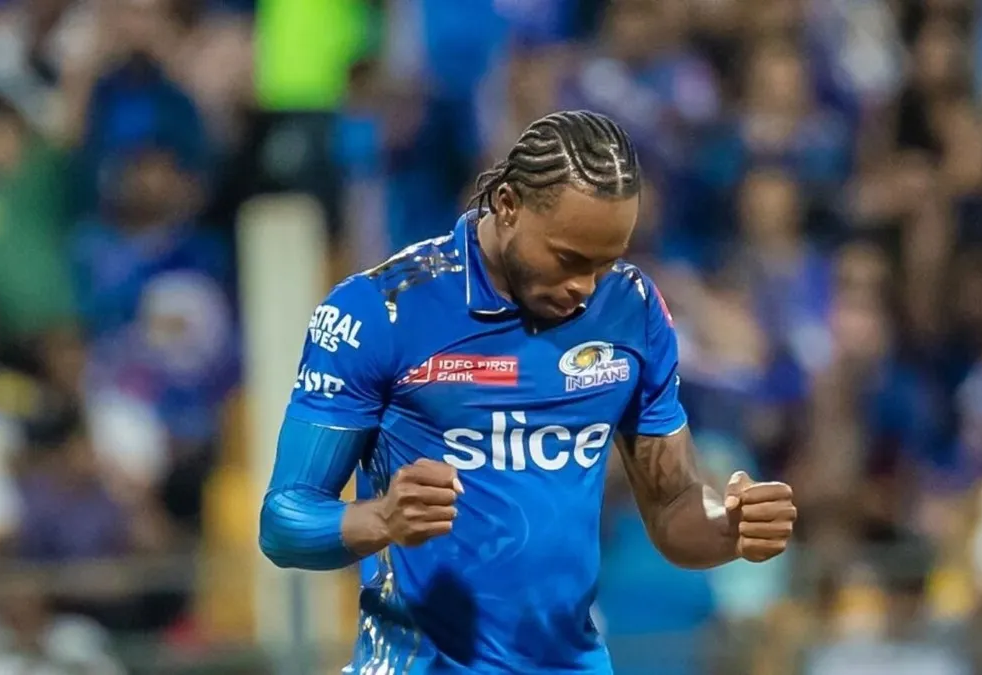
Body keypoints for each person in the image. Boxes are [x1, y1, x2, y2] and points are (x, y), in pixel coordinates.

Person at [259, 110, 798, 674]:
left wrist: (729, 529)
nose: (584, 289)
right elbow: (283, 522)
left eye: (605, 264)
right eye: (568, 260)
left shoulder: (631, 310)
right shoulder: (381, 311)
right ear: (509, 205)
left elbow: (673, 506)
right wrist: (381, 519)